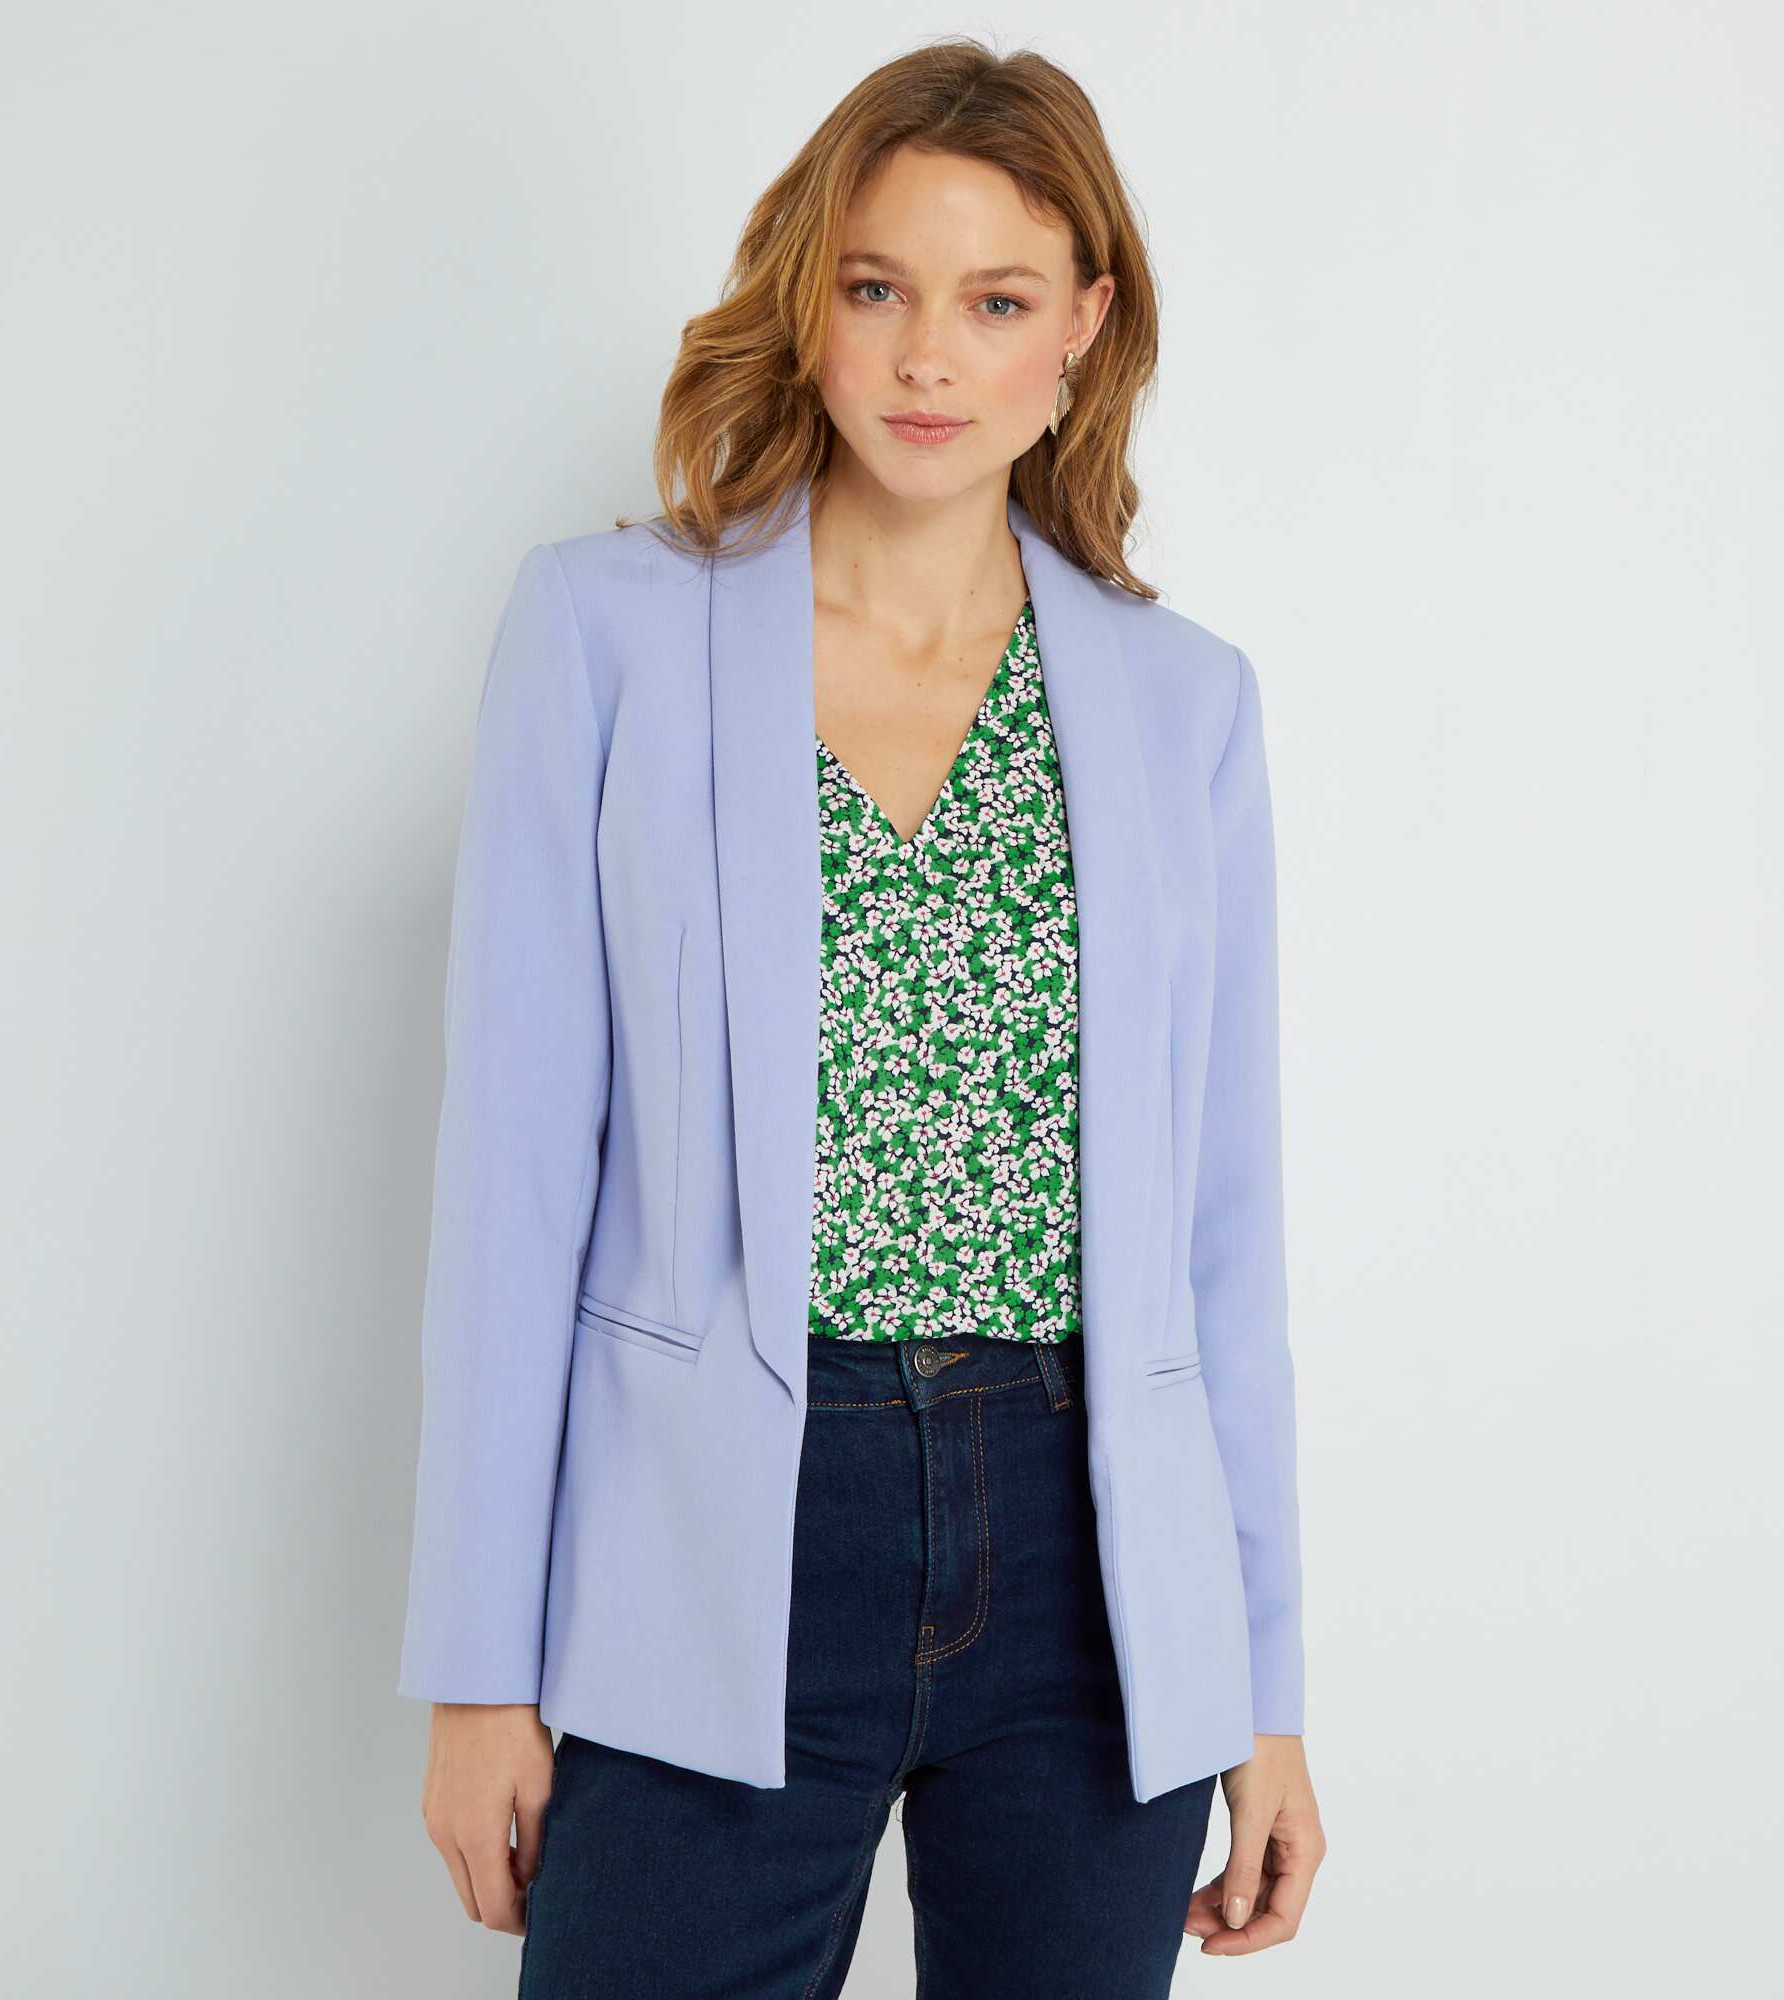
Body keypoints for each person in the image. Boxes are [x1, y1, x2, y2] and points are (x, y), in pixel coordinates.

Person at [399, 35, 1327, 1997]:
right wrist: (479, 1668)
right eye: (879, 286)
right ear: (806, 298)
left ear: (1082, 328)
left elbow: (1221, 1239)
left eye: (995, 301)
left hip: (1088, 1555)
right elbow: (513, 1183)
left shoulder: (1185, 704)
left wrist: (1258, 1687)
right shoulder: (605, 633)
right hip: (718, 1520)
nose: (928, 357)